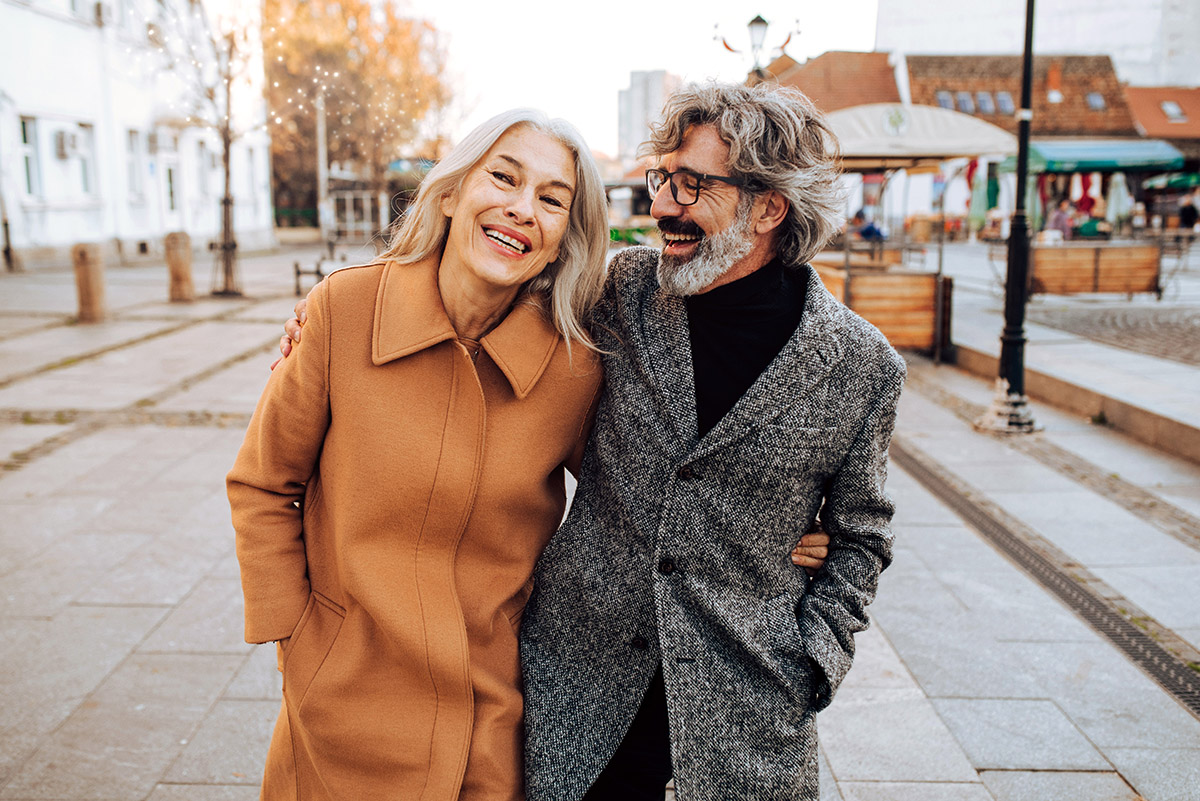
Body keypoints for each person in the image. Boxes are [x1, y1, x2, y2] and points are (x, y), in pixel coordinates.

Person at [252, 107, 831, 801]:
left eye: (551, 199)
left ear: (563, 239)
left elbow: (651, 490)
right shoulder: (343, 310)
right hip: (339, 701)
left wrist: (778, 525)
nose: (521, 209)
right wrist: (295, 632)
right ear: (453, 190)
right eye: (503, 177)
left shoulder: (575, 368)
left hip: (488, 715)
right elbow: (263, 482)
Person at [517, 83, 906, 801]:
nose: (662, 203)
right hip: (580, 684)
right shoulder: (620, 291)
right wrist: (335, 315)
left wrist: (812, 659)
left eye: (691, 184)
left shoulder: (861, 365)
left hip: (748, 712)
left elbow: (862, 537)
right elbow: (489, 290)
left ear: (768, 207)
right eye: (662, 178)